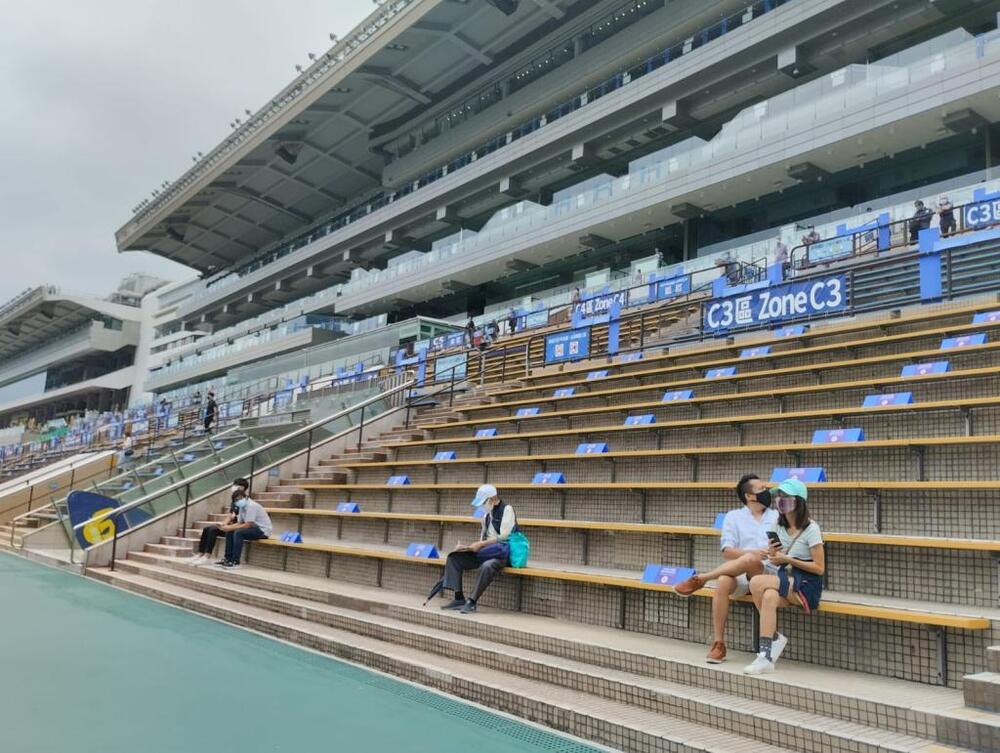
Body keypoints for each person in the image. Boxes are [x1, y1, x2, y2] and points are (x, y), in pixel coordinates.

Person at [673, 474, 778, 663]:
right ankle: (719, 644)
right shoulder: (733, 517)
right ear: (749, 496)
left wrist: (766, 553)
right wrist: (753, 552)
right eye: (762, 489)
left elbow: (783, 547)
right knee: (723, 581)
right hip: (739, 572)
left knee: (751, 559)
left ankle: (702, 578)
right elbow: (727, 552)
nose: (767, 491)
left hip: (766, 572)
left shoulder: (777, 516)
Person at [744, 478, 825, 675]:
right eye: (779, 496)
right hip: (784, 579)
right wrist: (771, 553)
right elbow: (775, 559)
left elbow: (819, 568)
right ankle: (766, 656)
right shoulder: (777, 525)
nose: (781, 500)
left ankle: (770, 644)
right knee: (769, 597)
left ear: (799, 500)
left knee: (756, 581)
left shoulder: (812, 528)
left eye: (786, 496)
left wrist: (788, 558)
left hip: (806, 584)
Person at [438, 484, 518, 614]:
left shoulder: (507, 509)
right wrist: (467, 548)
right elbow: (483, 537)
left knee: (487, 566)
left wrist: (480, 544)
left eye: (483, 502)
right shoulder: (486, 515)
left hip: (502, 553)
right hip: (486, 551)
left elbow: (504, 537)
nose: (482, 506)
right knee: (454, 557)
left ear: (492, 498)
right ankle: (459, 598)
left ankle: (472, 602)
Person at [188, 478, 249, 565]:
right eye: (234, 485)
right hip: (230, 526)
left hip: (236, 528)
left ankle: (207, 556)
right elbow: (231, 515)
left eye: (237, 485)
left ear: (243, 488)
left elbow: (244, 521)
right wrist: (223, 524)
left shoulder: (244, 501)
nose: (234, 487)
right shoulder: (235, 499)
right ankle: (199, 553)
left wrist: (228, 527)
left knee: (213, 530)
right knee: (207, 529)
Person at [217, 484, 272, 568]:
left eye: (239, 499)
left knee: (238, 533)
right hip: (253, 528)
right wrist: (227, 527)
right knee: (230, 532)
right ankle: (227, 558)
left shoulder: (251, 506)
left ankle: (235, 561)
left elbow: (247, 525)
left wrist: (229, 528)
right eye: (236, 500)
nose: (238, 501)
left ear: (245, 497)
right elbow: (240, 522)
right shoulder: (242, 507)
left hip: (262, 530)